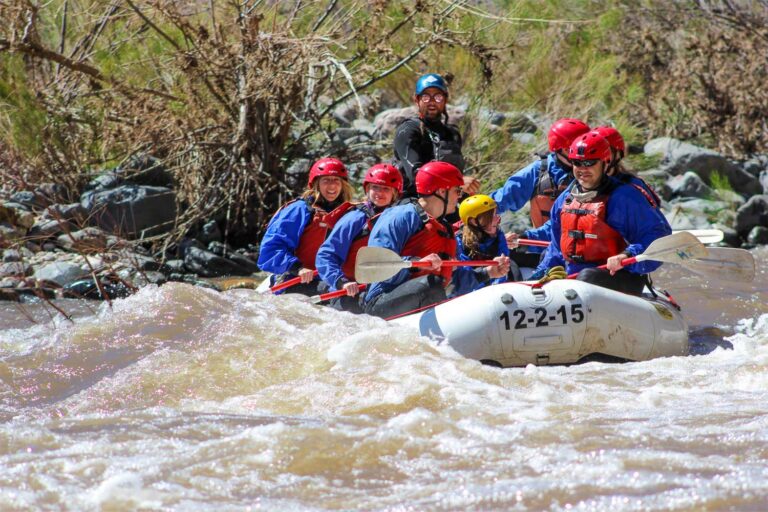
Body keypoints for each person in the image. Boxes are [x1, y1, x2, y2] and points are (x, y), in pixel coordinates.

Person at [533, 132, 672, 295]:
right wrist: (538, 278)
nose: (582, 169)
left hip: (619, 277)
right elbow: (556, 248)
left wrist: (626, 255)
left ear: (604, 163)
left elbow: (657, 235)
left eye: (589, 163)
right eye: (577, 163)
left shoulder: (624, 198)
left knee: (587, 277)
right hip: (574, 280)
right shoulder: (565, 199)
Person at [362, 161, 505, 318]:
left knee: (436, 284)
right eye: (457, 191)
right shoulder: (400, 217)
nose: (459, 197)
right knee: (432, 283)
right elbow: (375, 268)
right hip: (381, 302)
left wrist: (487, 273)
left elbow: (455, 280)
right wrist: (416, 263)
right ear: (441, 191)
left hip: (426, 299)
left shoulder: (445, 229)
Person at [490, 118, 591, 266]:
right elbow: (500, 200)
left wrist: (526, 237)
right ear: (559, 148)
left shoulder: (592, 174)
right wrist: (475, 217)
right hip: (545, 249)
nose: (580, 155)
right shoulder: (538, 171)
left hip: (585, 252)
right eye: (572, 149)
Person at [257, 157, 355, 296]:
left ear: (343, 184)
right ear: (316, 183)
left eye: (336, 180)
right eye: (326, 180)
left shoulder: (349, 214)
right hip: (294, 278)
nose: (332, 186)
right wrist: (298, 268)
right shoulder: (299, 210)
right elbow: (270, 250)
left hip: (333, 278)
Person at [315, 163, 403, 312]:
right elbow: (326, 255)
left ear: (394, 193)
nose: (379, 193)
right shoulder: (355, 218)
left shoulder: (399, 219)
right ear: (367, 189)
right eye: (375, 187)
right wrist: (341, 282)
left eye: (386, 189)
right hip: (350, 291)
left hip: (381, 288)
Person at [392, 73, 479, 198]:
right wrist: (458, 183)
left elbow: (457, 173)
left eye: (438, 97)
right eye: (426, 97)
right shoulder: (407, 130)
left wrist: (466, 188)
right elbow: (416, 175)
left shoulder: (451, 133)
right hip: (413, 202)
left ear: (445, 100)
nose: (432, 102)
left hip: (448, 202)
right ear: (417, 100)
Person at [451, 194, 516, 297]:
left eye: (496, 214)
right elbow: (465, 277)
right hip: (474, 293)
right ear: (474, 222)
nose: (497, 219)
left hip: (497, 288)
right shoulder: (459, 243)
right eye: (492, 216)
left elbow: (504, 268)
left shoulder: (498, 235)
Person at [592, 125, 664, 210]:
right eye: (593, 151)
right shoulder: (580, 185)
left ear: (618, 154)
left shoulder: (634, 187)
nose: (598, 156)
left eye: (605, 151)